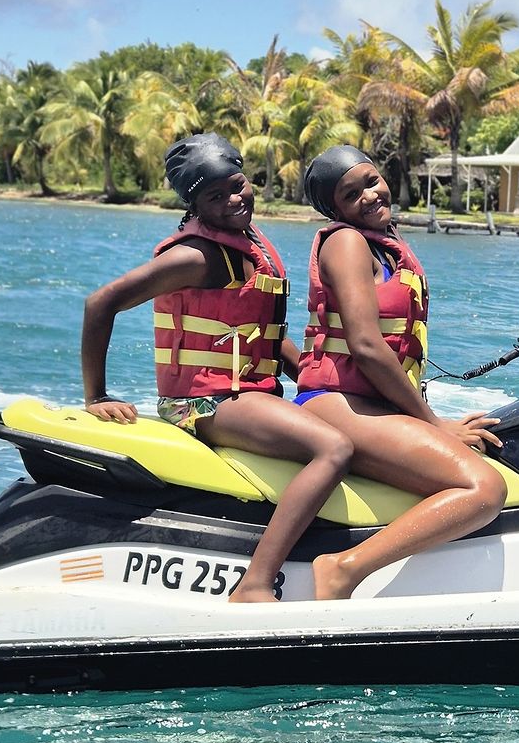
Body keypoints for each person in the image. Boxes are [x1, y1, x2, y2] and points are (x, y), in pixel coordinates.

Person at [81, 133, 358, 604]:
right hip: (203, 403)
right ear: (194, 205)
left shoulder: (245, 243)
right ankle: (255, 583)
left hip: (247, 393)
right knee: (334, 447)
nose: (234, 199)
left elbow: (261, 337)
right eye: (215, 196)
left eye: (237, 185)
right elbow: (100, 303)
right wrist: (97, 396)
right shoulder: (194, 256)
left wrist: (318, 381)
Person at [297, 145, 507, 600]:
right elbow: (366, 347)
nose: (369, 195)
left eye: (371, 181)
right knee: (485, 488)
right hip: (337, 405)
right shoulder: (346, 243)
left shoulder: (383, 247)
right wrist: (434, 424)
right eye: (351, 195)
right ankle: (343, 569)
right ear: (336, 210)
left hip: (371, 404)